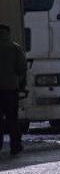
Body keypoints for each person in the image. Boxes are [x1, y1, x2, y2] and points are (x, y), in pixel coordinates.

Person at [0, 24, 27, 155]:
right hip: (10, 89)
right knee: (12, 119)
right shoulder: (14, 48)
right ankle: (15, 146)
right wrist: (21, 84)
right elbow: (22, 67)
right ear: (8, 33)